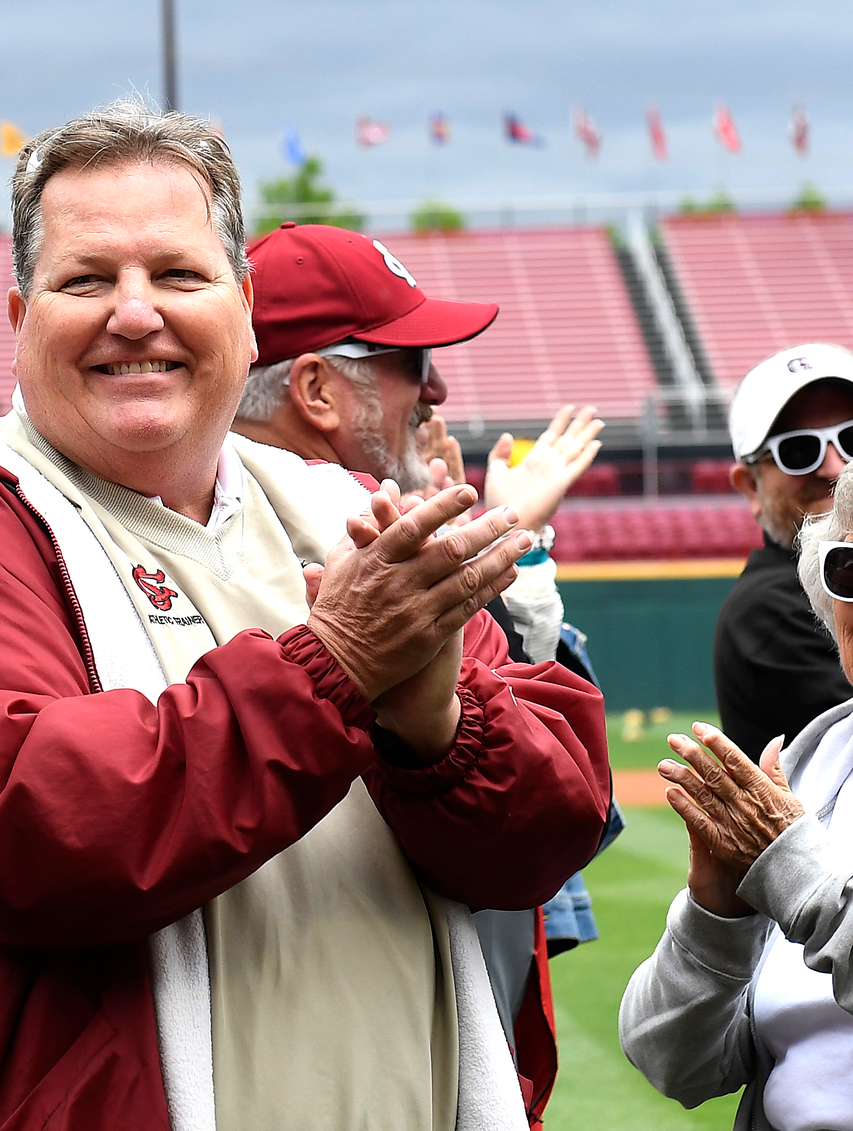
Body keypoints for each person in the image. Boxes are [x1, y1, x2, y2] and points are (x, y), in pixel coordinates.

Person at [0, 101, 611, 1131]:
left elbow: (546, 837)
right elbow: (24, 834)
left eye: (177, 274)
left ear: (243, 307)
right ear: (18, 320)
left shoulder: (347, 515)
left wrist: (433, 725)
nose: (133, 313)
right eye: (85, 280)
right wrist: (335, 665)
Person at [235, 221, 609, 1124]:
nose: (436, 389)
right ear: (315, 388)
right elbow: (562, 826)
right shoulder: (249, 548)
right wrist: (503, 543)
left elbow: (558, 812)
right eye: (412, 361)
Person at [621, 458, 853, 1131]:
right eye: (851, 568)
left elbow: (804, 885)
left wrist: (797, 877)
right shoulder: (817, 760)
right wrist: (716, 917)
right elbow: (672, 1060)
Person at [715, 342, 853, 760]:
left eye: (851, 437)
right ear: (750, 487)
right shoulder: (770, 611)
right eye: (798, 451)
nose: (835, 467)